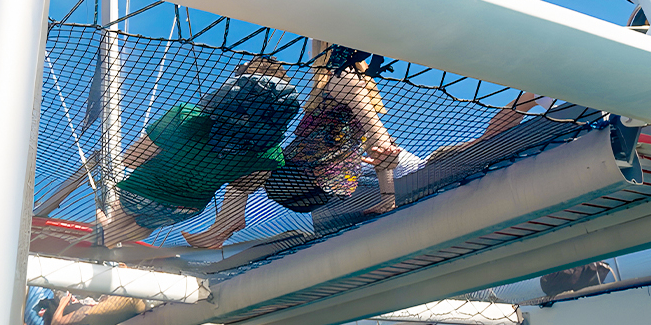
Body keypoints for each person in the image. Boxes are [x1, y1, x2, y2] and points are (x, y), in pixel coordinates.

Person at [96, 55, 299, 249]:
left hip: (140, 192)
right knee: (145, 227)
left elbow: (132, 159)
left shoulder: (185, 116)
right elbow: (244, 186)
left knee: (121, 215)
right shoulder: (271, 152)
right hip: (185, 208)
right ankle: (228, 221)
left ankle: (105, 237)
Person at [266, 43, 419, 216]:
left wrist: (386, 151)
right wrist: (388, 200)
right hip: (327, 184)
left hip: (303, 178)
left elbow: (376, 132)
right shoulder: (344, 84)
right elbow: (373, 142)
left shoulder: (343, 78)